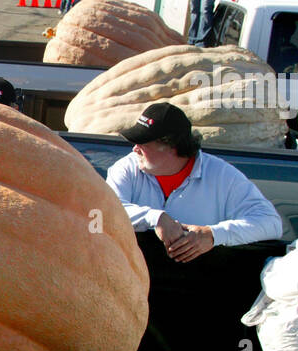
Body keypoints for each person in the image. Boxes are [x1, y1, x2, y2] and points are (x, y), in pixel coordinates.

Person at [105, 102, 281, 263]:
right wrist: (156, 218)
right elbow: (104, 212)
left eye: (142, 142)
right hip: (133, 278)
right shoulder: (126, 168)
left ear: (171, 145)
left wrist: (212, 234)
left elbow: (270, 223)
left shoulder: (221, 175)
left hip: (197, 284)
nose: (135, 149)